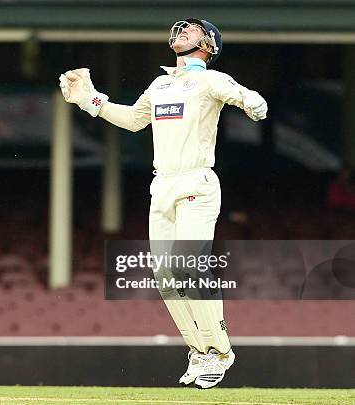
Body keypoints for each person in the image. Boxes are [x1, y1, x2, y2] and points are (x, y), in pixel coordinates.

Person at [59, 19, 267, 389]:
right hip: (163, 186)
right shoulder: (160, 84)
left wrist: (253, 102)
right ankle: (200, 351)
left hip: (196, 183)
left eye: (193, 29)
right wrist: (90, 100)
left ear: (209, 44)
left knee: (190, 265)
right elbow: (133, 120)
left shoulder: (210, 79)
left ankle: (220, 352)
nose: (184, 31)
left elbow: (240, 94)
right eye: (181, 28)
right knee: (165, 275)